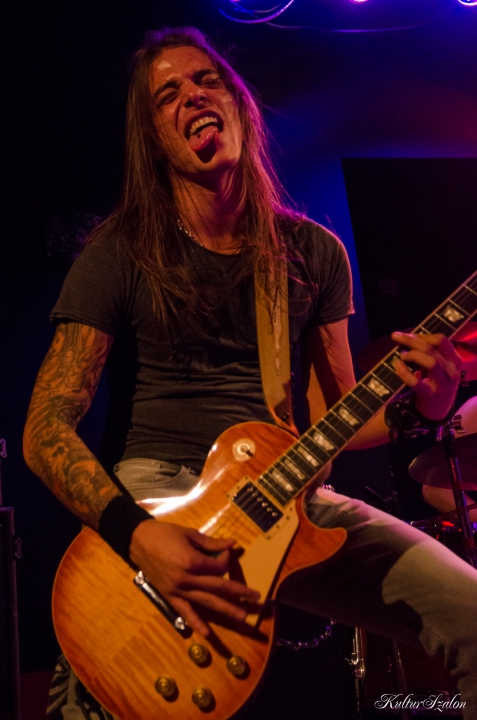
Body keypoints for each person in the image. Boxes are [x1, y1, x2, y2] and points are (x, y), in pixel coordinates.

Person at [23, 27, 477, 719]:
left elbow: (335, 417)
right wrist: (138, 536)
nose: (192, 96)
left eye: (206, 80)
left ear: (238, 104)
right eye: (167, 95)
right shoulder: (119, 254)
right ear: (154, 139)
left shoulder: (311, 253)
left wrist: (428, 406)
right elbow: (45, 429)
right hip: (160, 495)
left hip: (287, 496)